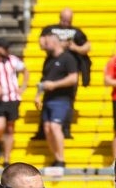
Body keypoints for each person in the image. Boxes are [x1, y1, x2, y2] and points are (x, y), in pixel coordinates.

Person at [35, 29, 82, 171]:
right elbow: (43, 80)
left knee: (55, 127)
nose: (45, 45)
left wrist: (54, 85)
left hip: (62, 98)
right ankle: (56, 157)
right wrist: (38, 95)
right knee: (47, 128)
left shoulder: (68, 58)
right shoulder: (48, 59)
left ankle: (61, 159)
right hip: (48, 98)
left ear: (55, 42)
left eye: (47, 42)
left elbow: (73, 78)